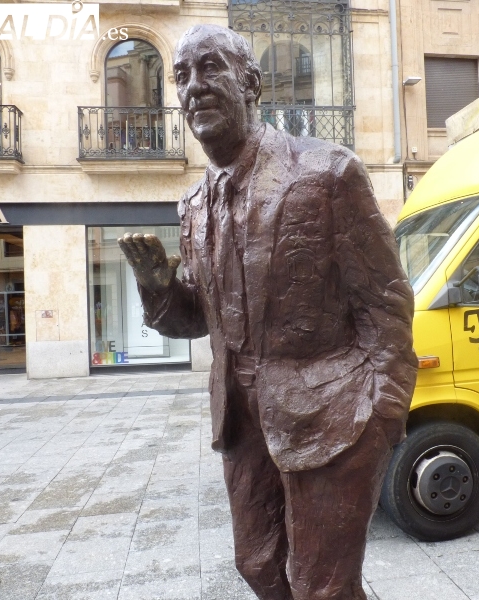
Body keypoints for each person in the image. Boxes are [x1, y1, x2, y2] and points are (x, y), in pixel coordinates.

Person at [119, 24, 417, 600]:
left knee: (322, 587)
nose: (195, 86)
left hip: (331, 409)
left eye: (211, 69)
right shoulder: (195, 202)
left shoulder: (327, 173)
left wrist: (383, 415)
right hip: (241, 417)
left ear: (250, 82)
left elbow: (386, 303)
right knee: (256, 565)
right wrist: (159, 290)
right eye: (182, 76)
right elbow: (200, 321)